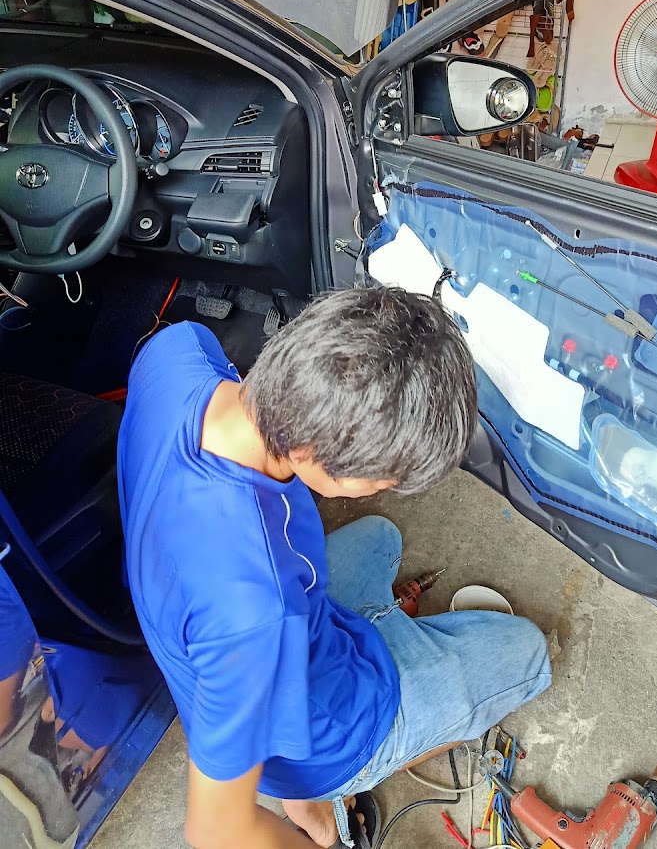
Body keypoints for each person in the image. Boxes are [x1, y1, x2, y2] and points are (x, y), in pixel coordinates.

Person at [118, 287, 551, 849]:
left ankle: (324, 770)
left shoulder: (178, 352)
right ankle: (331, 791)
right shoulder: (254, 614)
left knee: (380, 538)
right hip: (328, 732)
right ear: (313, 456)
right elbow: (217, 831)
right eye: (387, 479)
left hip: (270, 628)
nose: (387, 488)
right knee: (528, 652)